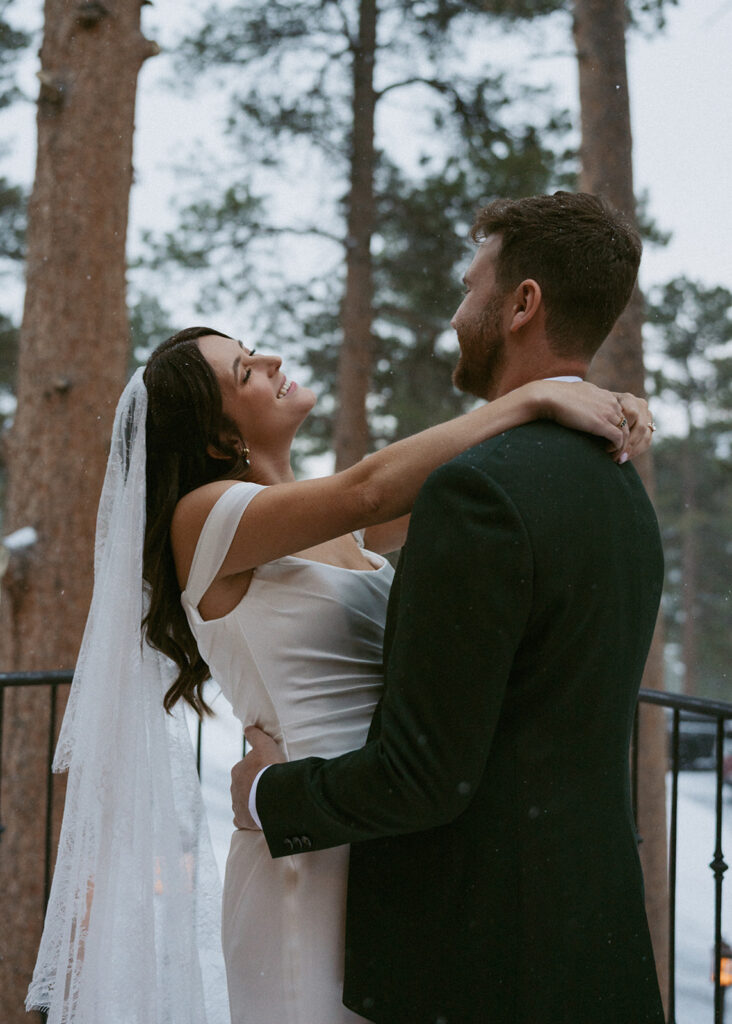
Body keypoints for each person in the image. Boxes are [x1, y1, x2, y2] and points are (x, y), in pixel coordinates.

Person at [27, 202, 652, 1024]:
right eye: (246, 369)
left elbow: (442, 493)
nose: (273, 359)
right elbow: (375, 484)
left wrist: (599, 400)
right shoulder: (209, 518)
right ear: (219, 435)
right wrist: (530, 402)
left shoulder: (334, 525)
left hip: (387, 827)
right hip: (306, 845)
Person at [231, 192, 666, 1024]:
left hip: (479, 962)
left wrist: (265, 798)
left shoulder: (479, 493)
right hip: (588, 939)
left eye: (472, 287)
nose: (457, 312)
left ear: (522, 304)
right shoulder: (618, 480)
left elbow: (422, 777)